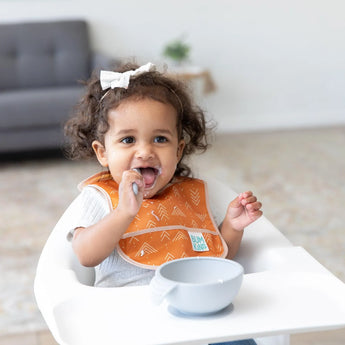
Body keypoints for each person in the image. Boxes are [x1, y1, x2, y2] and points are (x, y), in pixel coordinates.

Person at [64, 62, 261, 345]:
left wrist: (232, 226)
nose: (145, 151)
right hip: (130, 322)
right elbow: (85, 254)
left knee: (239, 339)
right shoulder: (102, 196)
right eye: (128, 139)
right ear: (102, 152)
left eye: (160, 139)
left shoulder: (189, 195)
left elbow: (217, 259)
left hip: (195, 315)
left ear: (178, 149)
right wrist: (123, 213)